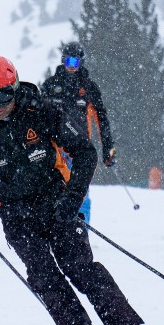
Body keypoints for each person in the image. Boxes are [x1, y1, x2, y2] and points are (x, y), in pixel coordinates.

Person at [0, 55, 151, 325]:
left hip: (57, 203)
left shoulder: (43, 112)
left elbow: (85, 153)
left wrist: (72, 197)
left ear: (15, 88)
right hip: (16, 214)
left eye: (2, 97)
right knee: (42, 274)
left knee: (80, 268)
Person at [41, 42, 116, 221]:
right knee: (52, 187)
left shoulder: (89, 88)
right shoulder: (51, 85)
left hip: (79, 148)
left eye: (75, 62)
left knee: (79, 189)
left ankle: (81, 227)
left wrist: (108, 150)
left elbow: (102, 120)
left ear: (81, 62)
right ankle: (53, 226)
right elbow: (39, 116)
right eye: (68, 62)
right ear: (63, 61)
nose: (71, 67)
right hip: (55, 147)